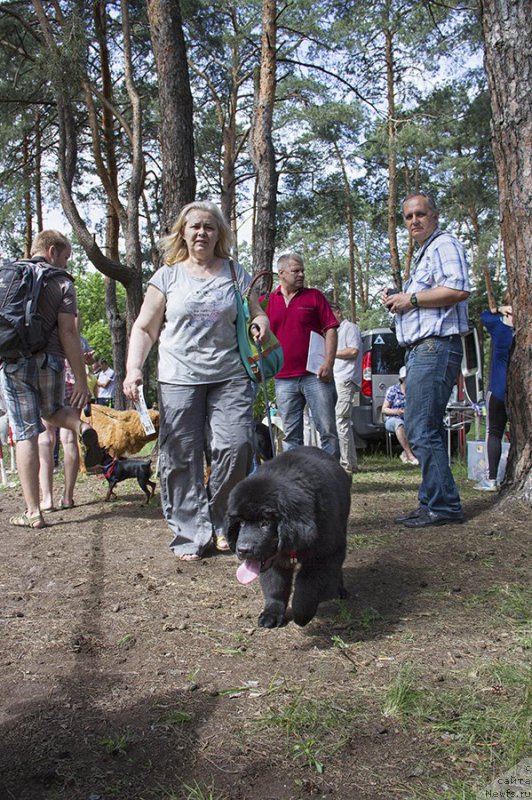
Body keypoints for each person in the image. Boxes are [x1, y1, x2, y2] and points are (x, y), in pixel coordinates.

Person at [123, 201, 269, 561]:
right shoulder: (167, 276)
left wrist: (262, 324)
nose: (201, 232)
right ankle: (190, 533)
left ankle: (222, 522)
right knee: (181, 457)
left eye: (209, 227)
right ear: (182, 233)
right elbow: (144, 327)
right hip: (179, 378)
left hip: (230, 374)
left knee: (237, 447)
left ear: (219, 234)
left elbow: (258, 312)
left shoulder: (236, 272)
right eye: (194, 227)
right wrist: (133, 368)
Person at [0, 230, 101, 529]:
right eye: (67, 258)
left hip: (15, 362)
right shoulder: (61, 282)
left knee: (25, 433)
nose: (67, 265)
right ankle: (81, 425)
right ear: (53, 250)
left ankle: (33, 512)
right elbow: (69, 332)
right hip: (51, 361)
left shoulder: (9, 274)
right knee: (54, 412)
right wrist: (81, 381)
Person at [383, 192, 470, 528]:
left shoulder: (444, 244)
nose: (414, 221)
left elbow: (458, 289)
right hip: (422, 349)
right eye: (407, 217)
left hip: (435, 347)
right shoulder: (424, 253)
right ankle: (431, 501)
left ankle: (444, 506)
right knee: (422, 427)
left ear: (434, 215)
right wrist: (399, 301)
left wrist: (412, 299)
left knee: (422, 428)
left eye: (420, 214)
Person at [266, 253, 340, 458]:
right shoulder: (268, 301)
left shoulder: (314, 296)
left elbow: (331, 329)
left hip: (316, 375)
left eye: (302, 271)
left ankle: (332, 479)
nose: (301, 274)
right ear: (281, 274)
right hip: (283, 379)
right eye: (295, 271)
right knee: (290, 435)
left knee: (326, 430)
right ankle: (295, 482)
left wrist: (329, 362)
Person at [474, 299, 514, 491]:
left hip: (498, 390)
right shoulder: (524, 333)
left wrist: (499, 309)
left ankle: (491, 480)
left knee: (494, 433)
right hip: (517, 392)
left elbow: (484, 315)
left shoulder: (498, 328)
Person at [331, 303, 362, 473]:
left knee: (341, 420)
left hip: (346, 379)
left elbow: (353, 351)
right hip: (337, 379)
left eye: (330, 314)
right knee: (344, 422)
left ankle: (346, 465)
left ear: (338, 312)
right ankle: (351, 462)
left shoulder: (350, 328)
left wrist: (330, 351)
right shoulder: (335, 331)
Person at [382, 366, 419, 465]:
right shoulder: (393, 390)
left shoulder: (415, 391)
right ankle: (410, 455)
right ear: (401, 379)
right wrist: (397, 412)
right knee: (399, 424)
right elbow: (384, 409)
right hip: (394, 418)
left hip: (410, 419)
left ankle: (407, 454)